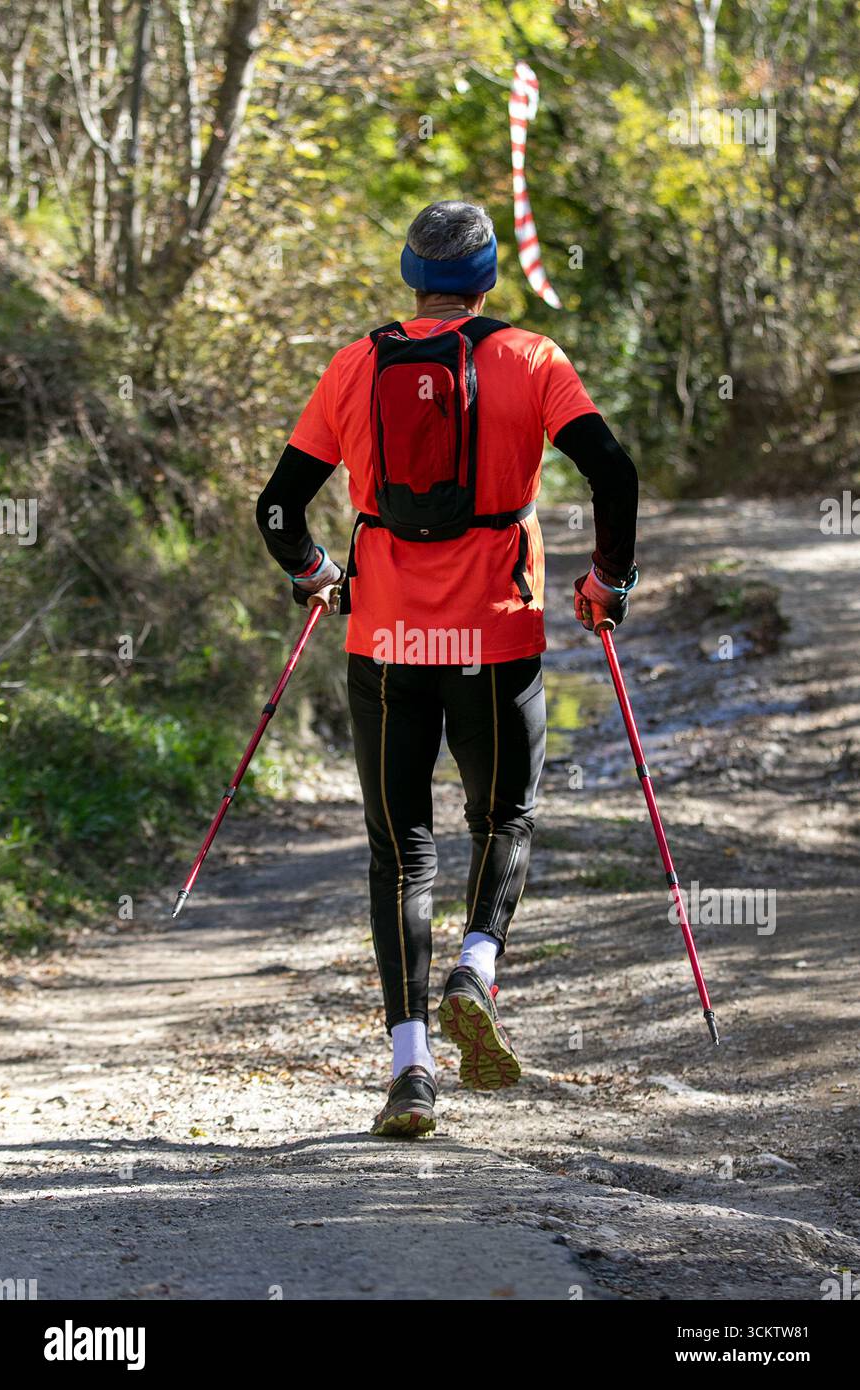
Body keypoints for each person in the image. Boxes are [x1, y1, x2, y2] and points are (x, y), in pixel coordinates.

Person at [257, 200, 638, 1138]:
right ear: (489, 276)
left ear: (409, 274)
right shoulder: (533, 359)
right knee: (504, 816)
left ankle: (411, 1073)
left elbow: (277, 509)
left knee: (400, 853)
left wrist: (318, 576)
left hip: (385, 646)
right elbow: (615, 474)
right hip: (495, 640)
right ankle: (477, 967)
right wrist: (607, 582)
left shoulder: (353, 365)